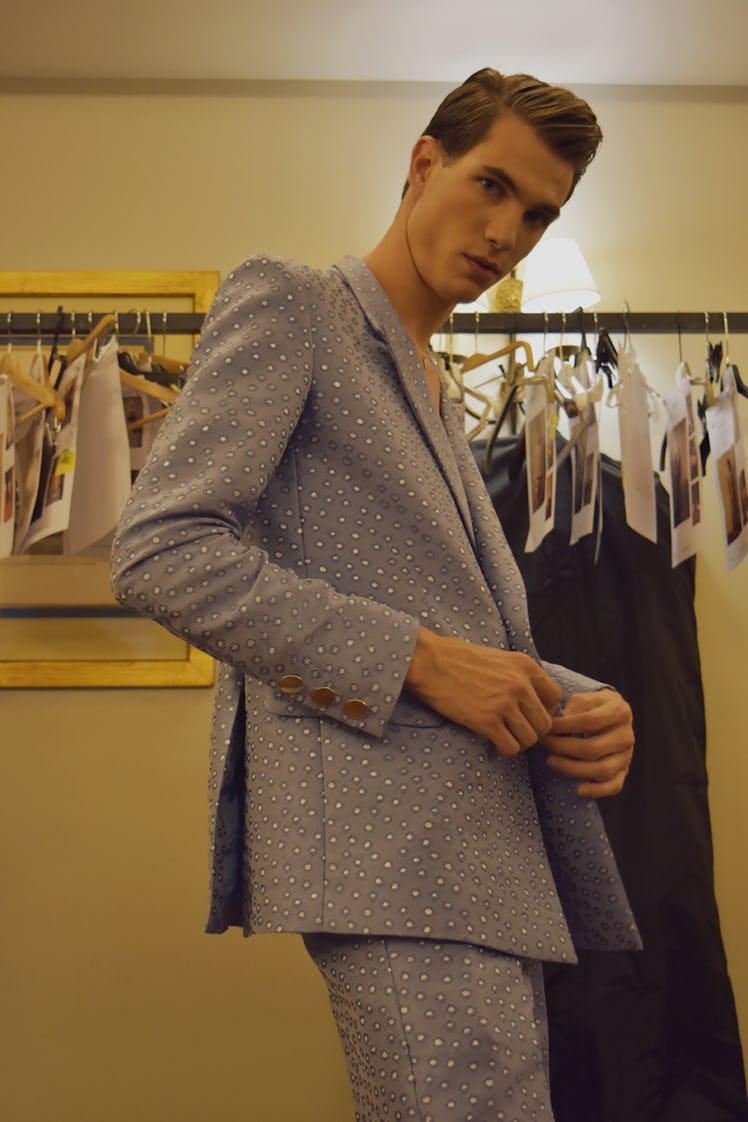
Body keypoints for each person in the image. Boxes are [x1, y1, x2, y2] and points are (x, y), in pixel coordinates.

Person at [112, 68, 640, 1122]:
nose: (507, 231)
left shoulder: (435, 390)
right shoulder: (295, 304)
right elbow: (162, 548)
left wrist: (580, 700)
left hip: (480, 852)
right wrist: (421, 661)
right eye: (490, 186)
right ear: (423, 160)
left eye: (537, 214)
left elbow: (454, 624)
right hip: (388, 850)